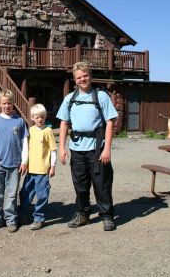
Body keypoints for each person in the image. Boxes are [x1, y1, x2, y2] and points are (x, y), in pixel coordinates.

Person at [56, 61, 118, 231]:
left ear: (90, 76)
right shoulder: (70, 99)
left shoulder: (101, 96)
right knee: (80, 185)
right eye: (79, 77)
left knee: (102, 183)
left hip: (97, 148)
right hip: (77, 149)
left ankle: (106, 215)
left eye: (85, 76)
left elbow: (110, 122)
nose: (82, 79)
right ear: (74, 80)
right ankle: (82, 213)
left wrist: (107, 149)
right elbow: (63, 123)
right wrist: (62, 148)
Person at [0, 89, 29, 233]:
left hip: (14, 164)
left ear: (13, 104)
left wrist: (24, 161)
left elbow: (25, 142)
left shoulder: (20, 121)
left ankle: (11, 219)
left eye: (9, 103)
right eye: (4, 103)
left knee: (11, 194)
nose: (7, 106)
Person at [18, 103, 57, 230]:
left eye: (42, 117)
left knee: (42, 195)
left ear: (45, 117)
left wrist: (52, 166)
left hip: (42, 170)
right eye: (36, 117)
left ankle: (39, 218)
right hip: (30, 170)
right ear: (32, 118)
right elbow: (25, 149)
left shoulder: (48, 131)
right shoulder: (30, 131)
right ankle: (23, 215)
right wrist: (24, 163)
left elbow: (52, 150)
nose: (39, 119)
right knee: (25, 193)